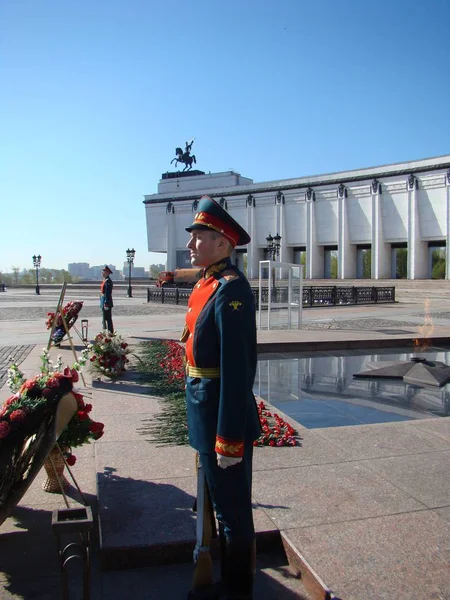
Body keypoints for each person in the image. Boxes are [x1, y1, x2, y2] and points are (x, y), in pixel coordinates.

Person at [183, 195, 261, 600]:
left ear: (224, 245)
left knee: (232, 516)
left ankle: (237, 591)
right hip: (205, 410)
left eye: (200, 236)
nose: (192, 244)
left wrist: (228, 437)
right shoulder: (209, 282)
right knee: (219, 508)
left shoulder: (233, 291)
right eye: (193, 236)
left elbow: (237, 371)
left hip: (220, 418)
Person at [100, 265, 114, 333]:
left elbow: (107, 293)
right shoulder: (105, 280)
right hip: (104, 302)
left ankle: (110, 333)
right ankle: (106, 332)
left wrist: (106, 303)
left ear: (107, 272)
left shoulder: (108, 281)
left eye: (104, 271)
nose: (102, 272)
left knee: (108, 319)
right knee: (104, 318)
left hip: (106, 303)